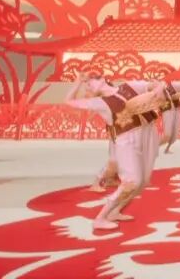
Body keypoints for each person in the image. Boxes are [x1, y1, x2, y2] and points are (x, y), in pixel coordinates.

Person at [65, 72, 167, 230]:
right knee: (132, 181)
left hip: (147, 132)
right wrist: (78, 82)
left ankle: (115, 211)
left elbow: (153, 85)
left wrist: (159, 87)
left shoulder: (129, 87)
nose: (88, 86)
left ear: (102, 79)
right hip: (126, 140)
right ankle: (100, 218)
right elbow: (69, 101)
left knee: (142, 182)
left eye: (89, 82)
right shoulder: (100, 102)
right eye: (87, 85)